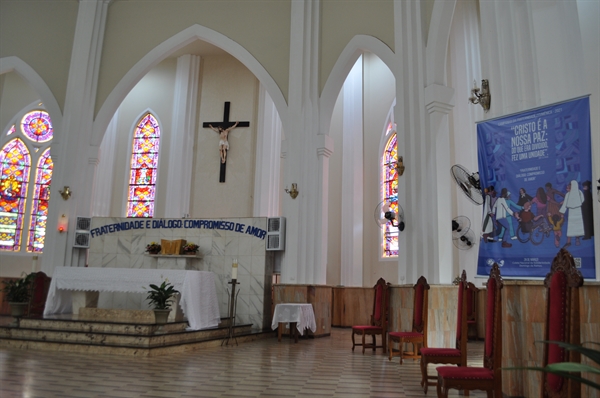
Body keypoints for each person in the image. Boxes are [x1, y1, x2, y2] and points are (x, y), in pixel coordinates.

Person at [559, 180, 585, 247]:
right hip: (571, 212)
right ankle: (568, 242)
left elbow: (582, 200)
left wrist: (576, 204)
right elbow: (565, 204)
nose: (568, 187)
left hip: (578, 211)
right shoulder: (568, 194)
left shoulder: (579, 192)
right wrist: (562, 212)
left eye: (569, 186)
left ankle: (577, 239)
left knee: (578, 227)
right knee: (570, 227)